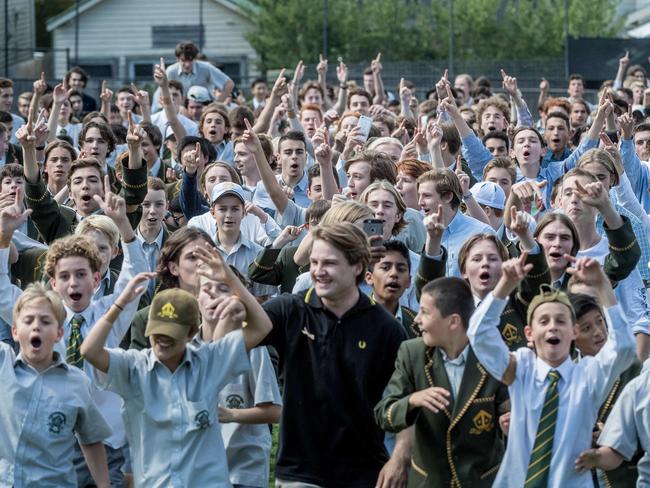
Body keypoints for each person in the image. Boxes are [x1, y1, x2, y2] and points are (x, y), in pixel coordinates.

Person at [80, 246, 272, 487]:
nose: (161, 341)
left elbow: (262, 326)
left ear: (191, 333)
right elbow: (89, 351)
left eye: (170, 335)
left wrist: (230, 278)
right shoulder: (134, 367)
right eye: (157, 333)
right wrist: (120, 304)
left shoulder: (208, 361)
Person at [468, 254, 636, 487]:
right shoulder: (521, 368)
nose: (553, 327)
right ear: (529, 333)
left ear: (574, 331)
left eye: (561, 321)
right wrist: (504, 286)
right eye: (544, 321)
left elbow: (624, 347)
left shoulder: (587, 376)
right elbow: (479, 334)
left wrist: (602, 285)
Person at [261, 222, 409, 487]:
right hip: (301, 472)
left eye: (329, 263)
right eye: (314, 262)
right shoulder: (290, 310)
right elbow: (238, 337)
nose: (318, 271)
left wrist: (399, 458)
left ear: (357, 267)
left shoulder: (387, 329)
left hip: (363, 472)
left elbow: (408, 401)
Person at [375, 277, 509, 486]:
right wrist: (412, 400)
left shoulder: (492, 356)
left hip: (483, 481)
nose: (416, 320)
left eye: (425, 312)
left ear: (453, 321)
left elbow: (509, 410)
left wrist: (511, 420)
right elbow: (384, 414)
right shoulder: (412, 353)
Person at [0, 283, 111, 487]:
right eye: (28, 320)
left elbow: (92, 440)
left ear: (59, 334)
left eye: (45, 321)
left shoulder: (76, 382)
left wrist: (104, 485)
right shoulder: (3, 365)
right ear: (15, 331)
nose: (36, 326)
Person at [194, 267, 282, 488]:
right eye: (206, 288)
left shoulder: (252, 347)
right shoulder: (187, 347)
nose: (213, 294)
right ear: (195, 296)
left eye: (223, 288)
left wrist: (231, 414)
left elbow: (274, 411)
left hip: (243, 472)